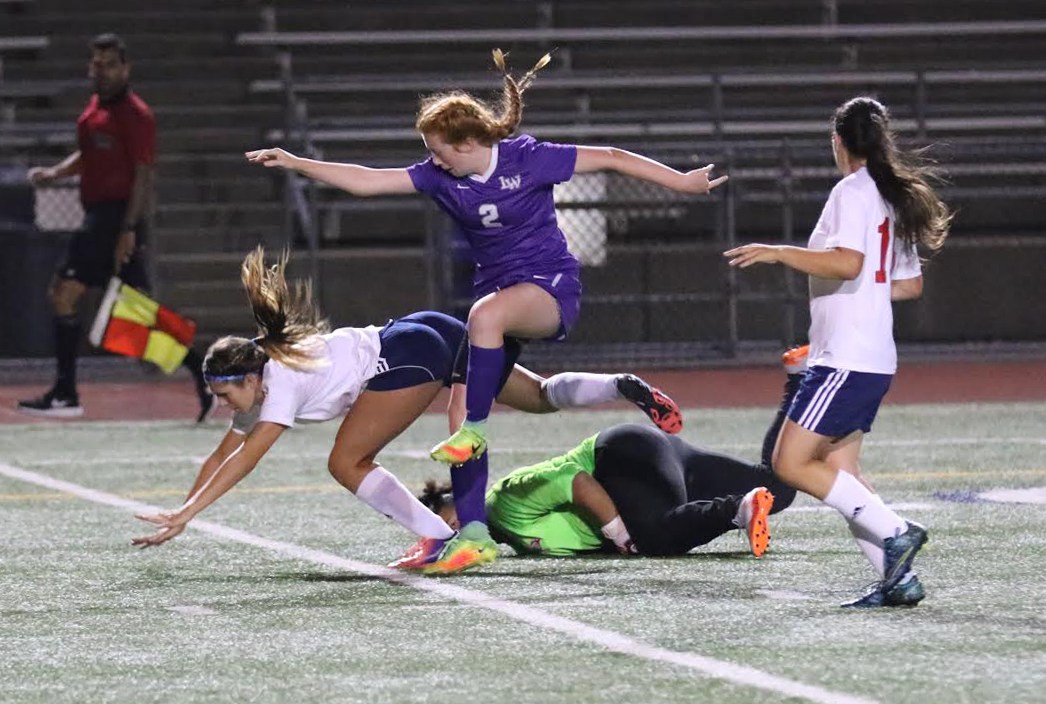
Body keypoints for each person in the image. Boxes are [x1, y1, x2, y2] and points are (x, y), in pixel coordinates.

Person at [244, 48, 720, 560]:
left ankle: (475, 430)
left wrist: (683, 181)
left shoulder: (528, 157)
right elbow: (367, 180)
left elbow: (613, 157)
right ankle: (473, 535)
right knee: (471, 406)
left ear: (469, 141)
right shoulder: (439, 175)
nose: (434, 159)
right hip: (497, 300)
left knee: (482, 325)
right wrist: (296, 163)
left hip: (548, 289)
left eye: (439, 149)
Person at [133, 247, 683, 576]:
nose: (224, 404)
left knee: (347, 461)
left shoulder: (275, 386)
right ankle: (620, 384)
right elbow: (224, 450)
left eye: (225, 394)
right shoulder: (266, 372)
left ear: (248, 378)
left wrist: (189, 515)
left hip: (406, 356)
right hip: (426, 328)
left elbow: (246, 459)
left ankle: (441, 536)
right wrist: (181, 510)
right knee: (538, 397)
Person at [723, 96, 952, 607]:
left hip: (846, 359)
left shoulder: (854, 190)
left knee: (789, 462)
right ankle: (898, 581)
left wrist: (780, 251)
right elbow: (906, 285)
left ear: (838, 142)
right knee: (843, 476)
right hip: (868, 356)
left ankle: (896, 531)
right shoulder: (891, 196)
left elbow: (847, 264)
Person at [16, 33, 213, 422]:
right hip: (100, 217)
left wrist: (128, 228)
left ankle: (66, 393)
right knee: (137, 312)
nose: (100, 71)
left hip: (112, 218)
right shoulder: (96, 107)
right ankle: (203, 372)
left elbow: (143, 175)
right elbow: (87, 152)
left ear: (125, 68)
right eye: (96, 64)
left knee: (63, 294)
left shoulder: (136, 115)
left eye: (108, 64)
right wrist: (56, 173)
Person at [414, 364, 803, 561]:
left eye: (450, 518)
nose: (454, 529)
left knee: (653, 540)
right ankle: (798, 381)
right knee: (781, 487)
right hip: (652, 463)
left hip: (622, 454)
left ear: (456, 498)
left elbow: (579, 481)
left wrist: (622, 537)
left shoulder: (504, 502)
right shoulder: (511, 537)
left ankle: (736, 509)